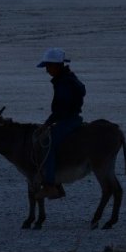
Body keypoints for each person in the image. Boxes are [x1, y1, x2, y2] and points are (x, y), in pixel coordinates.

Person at [36, 47, 85, 199]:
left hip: (68, 120)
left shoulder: (63, 83)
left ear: (57, 65)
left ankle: (50, 185)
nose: (47, 70)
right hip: (73, 118)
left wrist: (47, 123)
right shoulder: (68, 78)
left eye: (48, 66)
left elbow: (61, 109)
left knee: (47, 144)